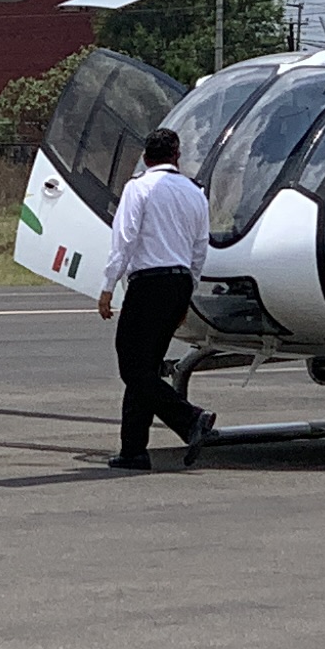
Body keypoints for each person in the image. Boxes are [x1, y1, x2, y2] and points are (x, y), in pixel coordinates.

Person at [95, 127, 219, 470]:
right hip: (179, 282)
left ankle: (191, 418)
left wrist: (108, 285)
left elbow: (124, 238)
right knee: (146, 368)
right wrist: (187, 294)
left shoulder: (139, 187)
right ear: (176, 156)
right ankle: (134, 449)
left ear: (146, 157)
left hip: (149, 282)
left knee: (131, 367)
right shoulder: (196, 193)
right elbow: (199, 250)